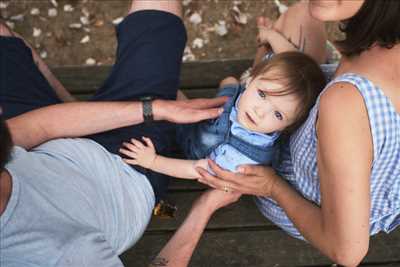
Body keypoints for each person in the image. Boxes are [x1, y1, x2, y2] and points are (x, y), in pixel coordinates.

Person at [148, 1, 400, 267]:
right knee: (301, 14)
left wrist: (272, 186)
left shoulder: (345, 104)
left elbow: (348, 252)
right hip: (349, 160)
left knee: (276, 54)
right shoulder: (382, 39)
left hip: (311, 203)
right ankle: (257, 84)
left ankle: (251, 86)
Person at [0, 1, 227, 266]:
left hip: (51, 148)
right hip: (130, 166)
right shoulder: (66, 253)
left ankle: (74, 105)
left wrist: (154, 109)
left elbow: (39, 127)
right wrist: (205, 207)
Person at [119, 51, 326, 183]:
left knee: (163, 94)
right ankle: (230, 89)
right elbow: (272, 61)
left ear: (287, 127)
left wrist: (152, 160)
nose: (260, 111)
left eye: (278, 114)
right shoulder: (250, 99)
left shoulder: (238, 157)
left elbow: (195, 169)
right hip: (224, 110)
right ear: (252, 79)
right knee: (229, 83)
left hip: (194, 142)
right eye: (262, 94)